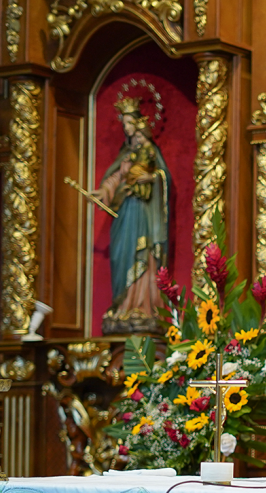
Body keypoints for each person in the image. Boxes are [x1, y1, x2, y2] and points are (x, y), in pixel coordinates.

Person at [95, 94, 171, 335]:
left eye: (130, 123)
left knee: (143, 251)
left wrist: (153, 177)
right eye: (124, 124)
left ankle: (145, 307)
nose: (127, 129)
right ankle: (123, 305)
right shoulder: (125, 154)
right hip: (126, 209)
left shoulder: (149, 152)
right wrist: (102, 191)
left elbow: (163, 176)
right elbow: (116, 177)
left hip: (143, 211)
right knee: (121, 255)